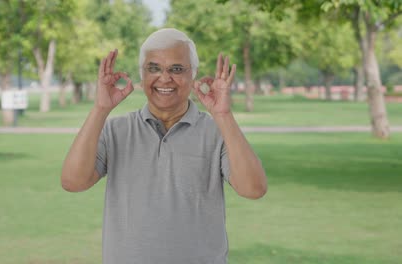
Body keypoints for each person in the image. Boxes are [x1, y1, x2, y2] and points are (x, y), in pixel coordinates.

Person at [61, 28, 267, 264]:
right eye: (154, 68)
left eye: (176, 69)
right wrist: (100, 109)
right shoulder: (115, 130)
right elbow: (73, 182)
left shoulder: (218, 132)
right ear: (142, 75)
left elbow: (253, 189)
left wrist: (223, 115)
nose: (165, 78)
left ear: (194, 75)